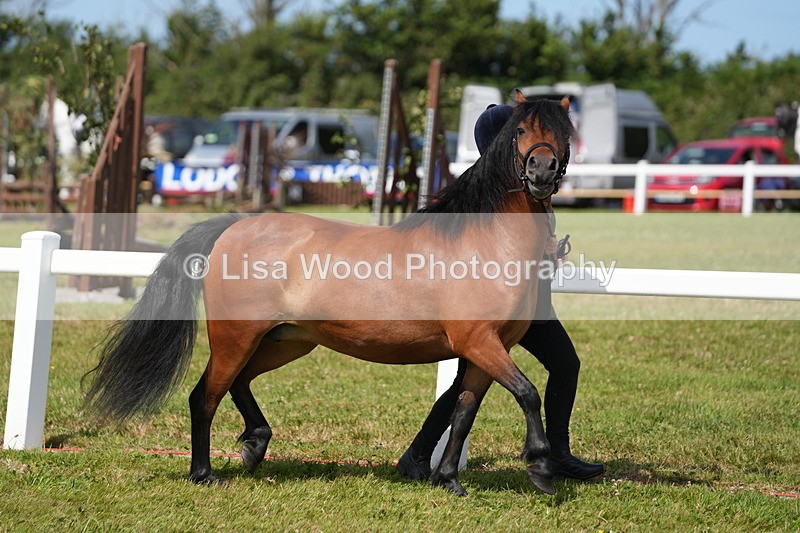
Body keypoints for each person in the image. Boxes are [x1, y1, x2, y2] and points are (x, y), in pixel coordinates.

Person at [396, 103, 604, 482]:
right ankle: (419, 455)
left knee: (564, 364)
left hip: (530, 304)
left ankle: (557, 453)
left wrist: (548, 251)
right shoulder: (481, 192)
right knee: (470, 381)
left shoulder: (534, 195)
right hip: (488, 307)